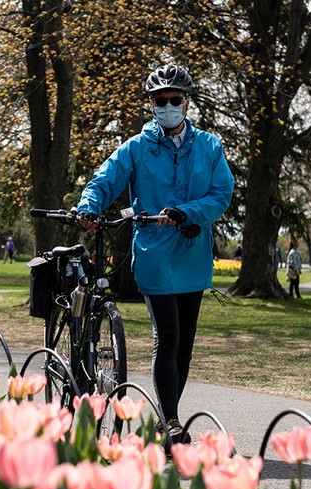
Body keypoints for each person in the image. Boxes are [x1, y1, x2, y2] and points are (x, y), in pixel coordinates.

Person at [76, 63, 234, 447]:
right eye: (159, 101)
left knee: (186, 342)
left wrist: (190, 212)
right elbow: (104, 179)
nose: (167, 106)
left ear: (187, 102)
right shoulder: (137, 147)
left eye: (174, 100)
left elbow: (221, 194)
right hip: (153, 254)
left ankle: (168, 421)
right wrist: (88, 206)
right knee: (168, 335)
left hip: (193, 255)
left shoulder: (211, 147)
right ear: (151, 105)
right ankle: (174, 421)